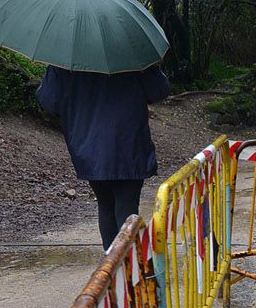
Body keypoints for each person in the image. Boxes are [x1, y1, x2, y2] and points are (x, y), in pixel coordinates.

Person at [36, 62, 169, 250]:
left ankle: (110, 267)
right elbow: (159, 91)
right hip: (128, 142)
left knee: (105, 204)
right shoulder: (133, 55)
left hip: (88, 145)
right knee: (127, 205)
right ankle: (128, 268)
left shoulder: (65, 60)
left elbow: (48, 101)